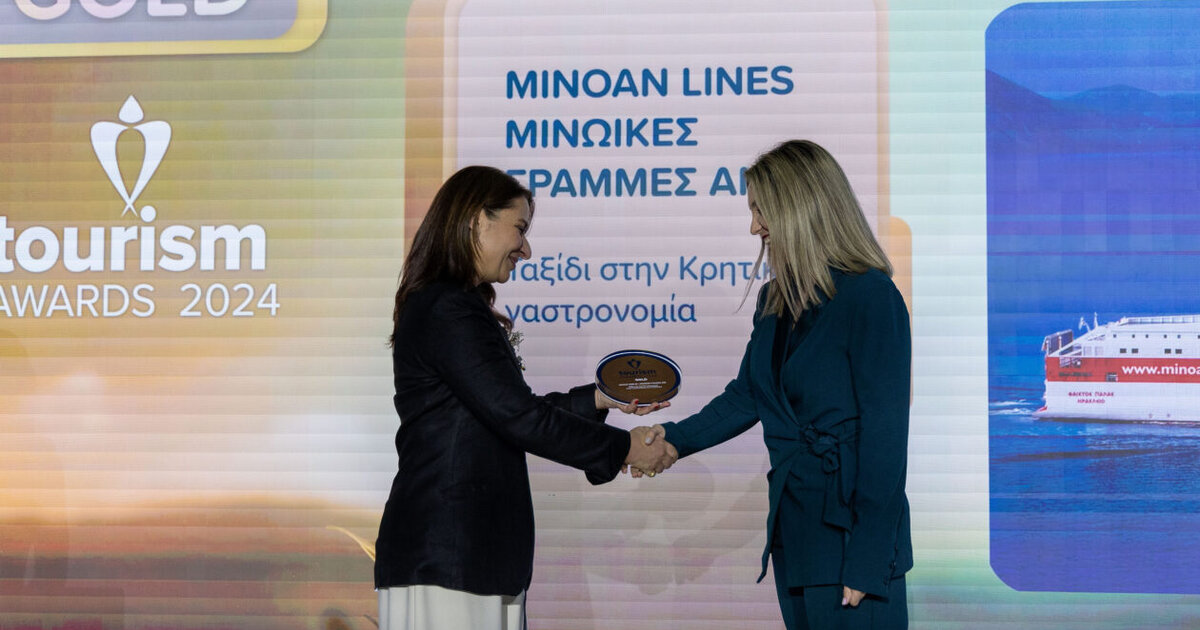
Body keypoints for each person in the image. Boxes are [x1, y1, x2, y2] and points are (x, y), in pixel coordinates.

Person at [374, 165, 676, 630]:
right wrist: (627, 448)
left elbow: (501, 414)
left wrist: (599, 400)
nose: (526, 249)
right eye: (519, 228)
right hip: (449, 557)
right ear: (478, 220)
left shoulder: (450, 305)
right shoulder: (448, 308)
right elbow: (518, 415)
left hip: (469, 557)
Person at [651, 140, 912, 629]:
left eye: (761, 210)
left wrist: (869, 556)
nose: (755, 227)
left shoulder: (872, 297)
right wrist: (670, 440)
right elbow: (747, 395)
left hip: (851, 539)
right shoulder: (774, 298)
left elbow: (886, 436)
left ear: (800, 208)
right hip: (795, 530)